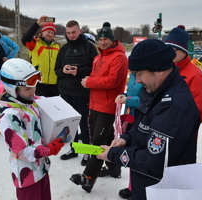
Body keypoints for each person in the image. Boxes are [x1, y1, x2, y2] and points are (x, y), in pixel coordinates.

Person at [96, 39, 201, 200]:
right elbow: (143, 124)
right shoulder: (155, 90)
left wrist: (114, 154)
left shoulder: (174, 106)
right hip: (145, 185)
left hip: (162, 190)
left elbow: (153, 161)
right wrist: (126, 138)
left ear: (158, 70)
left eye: (139, 74)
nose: (137, 80)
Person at [0, 58, 64, 200]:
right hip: (27, 175)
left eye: (34, 85)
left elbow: (47, 103)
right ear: (13, 89)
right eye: (27, 88)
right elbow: (22, 152)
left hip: (41, 169)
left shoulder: (29, 101)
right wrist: (49, 149)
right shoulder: (10, 116)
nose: (32, 91)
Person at [70, 22, 128, 192]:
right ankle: (114, 168)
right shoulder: (98, 57)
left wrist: (89, 81)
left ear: (112, 39)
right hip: (95, 104)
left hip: (108, 106)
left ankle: (88, 178)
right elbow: (96, 77)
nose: (102, 42)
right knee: (108, 140)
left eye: (105, 39)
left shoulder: (119, 57)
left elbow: (112, 81)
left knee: (97, 143)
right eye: (100, 39)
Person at [55, 20, 98, 166]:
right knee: (70, 123)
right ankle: (74, 149)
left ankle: (86, 150)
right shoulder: (64, 48)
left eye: (73, 32)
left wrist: (78, 71)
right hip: (65, 91)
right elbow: (57, 70)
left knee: (84, 122)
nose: (71, 35)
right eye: (68, 33)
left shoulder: (89, 48)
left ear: (79, 31)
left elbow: (95, 69)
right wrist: (64, 70)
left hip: (82, 92)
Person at [164, 25, 202, 122]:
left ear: (183, 50)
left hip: (181, 132)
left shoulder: (195, 76)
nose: (169, 53)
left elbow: (198, 113)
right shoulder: (166, 69)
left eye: (173, 49)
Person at [111, 73, 143, 199]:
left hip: (141, 118)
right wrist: (124, 96)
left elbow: (147, 98)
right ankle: (132, 185)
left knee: (139, 153)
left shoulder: (148, 74)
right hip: (130, 119)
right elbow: (132, 93)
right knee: (130, 151)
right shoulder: (134, 75)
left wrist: (129, 100)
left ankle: (137, 187)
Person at [21, 15, 60, 97]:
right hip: (38, 82)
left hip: (54, 83)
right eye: (48, 32)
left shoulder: (57, 46)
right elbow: (25, 39)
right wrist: (37, 24)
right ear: (43, 31)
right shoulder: (35, 43)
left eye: (52, 33)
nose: (50, 34)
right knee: (39, 107)